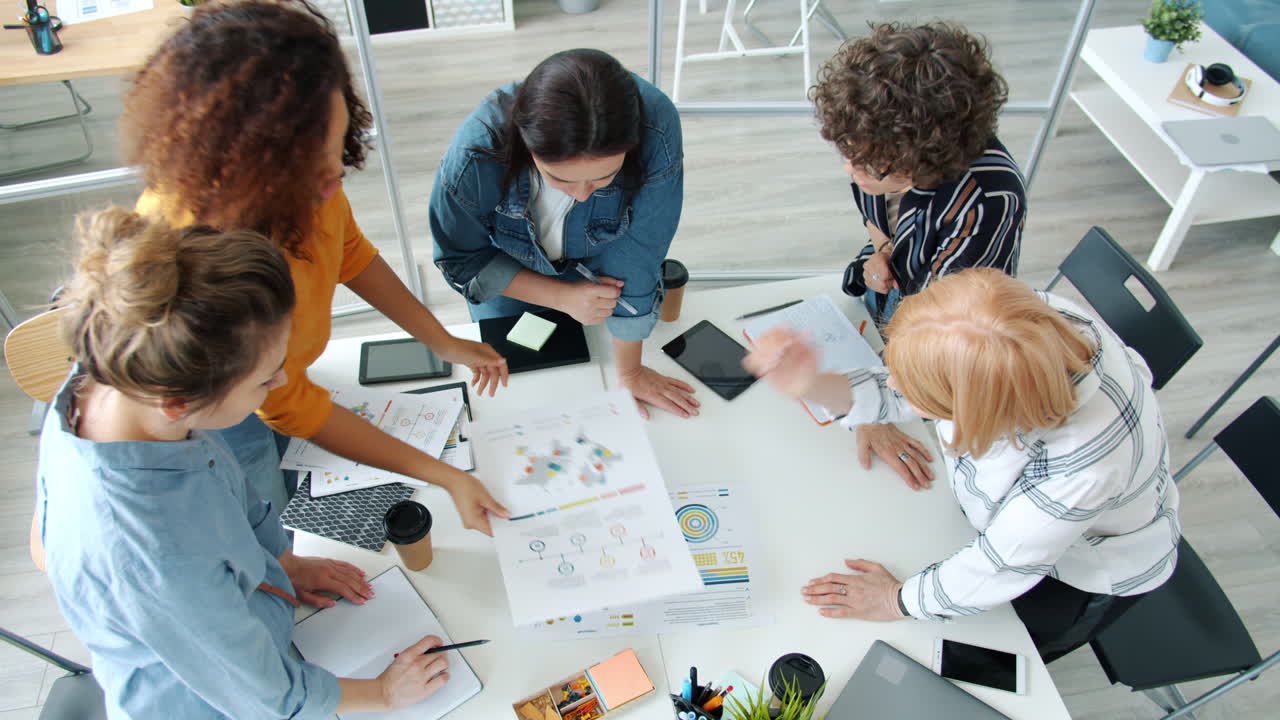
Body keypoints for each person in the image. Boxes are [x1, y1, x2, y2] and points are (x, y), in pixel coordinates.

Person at [36, 208, 452, 718]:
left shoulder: (117, 374)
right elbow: (267, 698)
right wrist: (384, 693)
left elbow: (224, 488)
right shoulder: (153, 554)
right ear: (179, 401)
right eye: (264, 379)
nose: (280, 384)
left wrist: (282, 562)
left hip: (250, 624)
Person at [121, 0, 509, 533]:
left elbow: (349, 252)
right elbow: (292, 406)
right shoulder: (205, 264)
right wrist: (443, 474)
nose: (333, 176)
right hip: (223, 403)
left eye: (337, 143)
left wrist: (439, 340)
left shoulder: (310, 185)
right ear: (238, 165)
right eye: (309, 163)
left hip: (274, 376)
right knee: (262, 514)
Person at [744, 269, 1180, 663]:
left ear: (981, 409)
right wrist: (815, 384)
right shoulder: (1023, 323)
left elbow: (1001, 565)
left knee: (994, 659)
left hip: (1078, 574)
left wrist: (895, 600)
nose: (893, 381)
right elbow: (909, 386)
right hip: (1015, 522)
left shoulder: (1082, 467)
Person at [810, 21, 1028, 492]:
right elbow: (874, 210)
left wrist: (872, 412)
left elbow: (942, 335)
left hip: (940, 345)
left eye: (867, 164)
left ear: (923, 160)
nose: (851, 168)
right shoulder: (876, 148)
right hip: (892, 292)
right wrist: (882, 249)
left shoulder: (986, 201)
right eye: (847, 152)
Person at [430, 48, 698, 420]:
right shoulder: (477, 151)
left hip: (599, 267)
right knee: (523, 394)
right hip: (507, 272)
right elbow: (460, 258)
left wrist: (630, 372)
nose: (584, 193)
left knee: (588, 372)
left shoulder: (655, 126)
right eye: (560, 179)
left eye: (604, 178)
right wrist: (560, 296)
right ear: (527, 145)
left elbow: (640, 249)